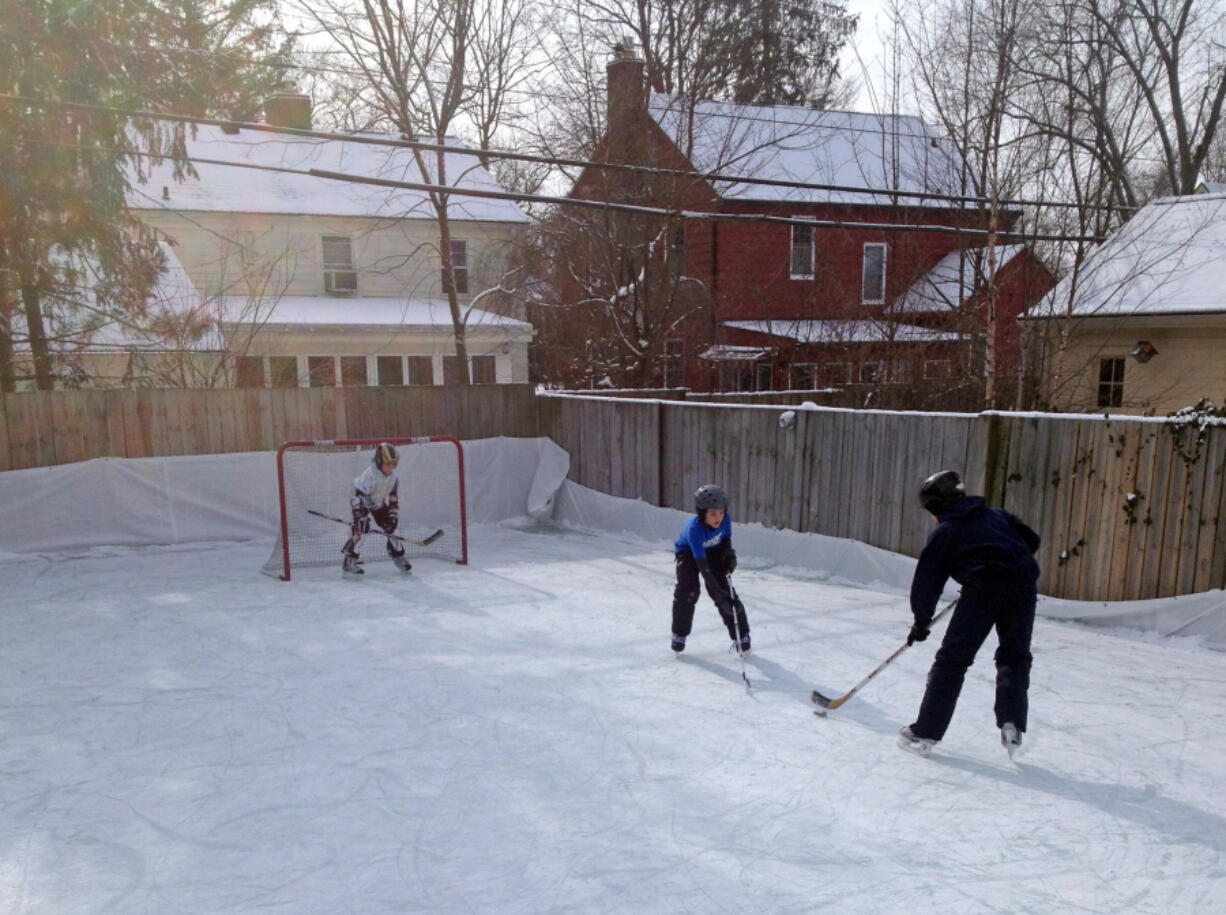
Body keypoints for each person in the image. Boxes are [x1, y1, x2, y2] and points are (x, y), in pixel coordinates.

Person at [898, 470, 1040, 758]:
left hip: (984, 591)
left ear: (937, 507)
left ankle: (926, 732)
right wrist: (998, 562)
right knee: (1014, 656)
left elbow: (927, 581)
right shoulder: (996, 515)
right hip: (1023, 584)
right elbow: (1031, 540)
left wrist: (921, 621)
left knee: (952, 661)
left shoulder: (946, 531)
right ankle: (1012, 723)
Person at [671, 483, 751, 656]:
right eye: (713, 513)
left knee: (725, 589)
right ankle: (679, 633)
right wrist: (719, 597)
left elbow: (726, 540)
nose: (718, 518)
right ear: (702, 513)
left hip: (713, 550)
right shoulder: (695, 530)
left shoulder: (726, 520)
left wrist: (729, 555)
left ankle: (741, 634)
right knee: (689, 590)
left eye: (721, 512)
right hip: (690, 554)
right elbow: (704, 569)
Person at [341, 442, 412, 578]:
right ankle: (349, 560)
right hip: (361, 500)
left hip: (377, 502)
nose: (391, 468)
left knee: (391, 528)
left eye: (394, 465)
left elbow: (393, 497)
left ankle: (397, 556)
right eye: (388, 465)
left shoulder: (393, 478)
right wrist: (360, 515)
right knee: (363, 530)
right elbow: (357, 494)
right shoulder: (370, 474)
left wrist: (393, 513)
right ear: (380, 462)